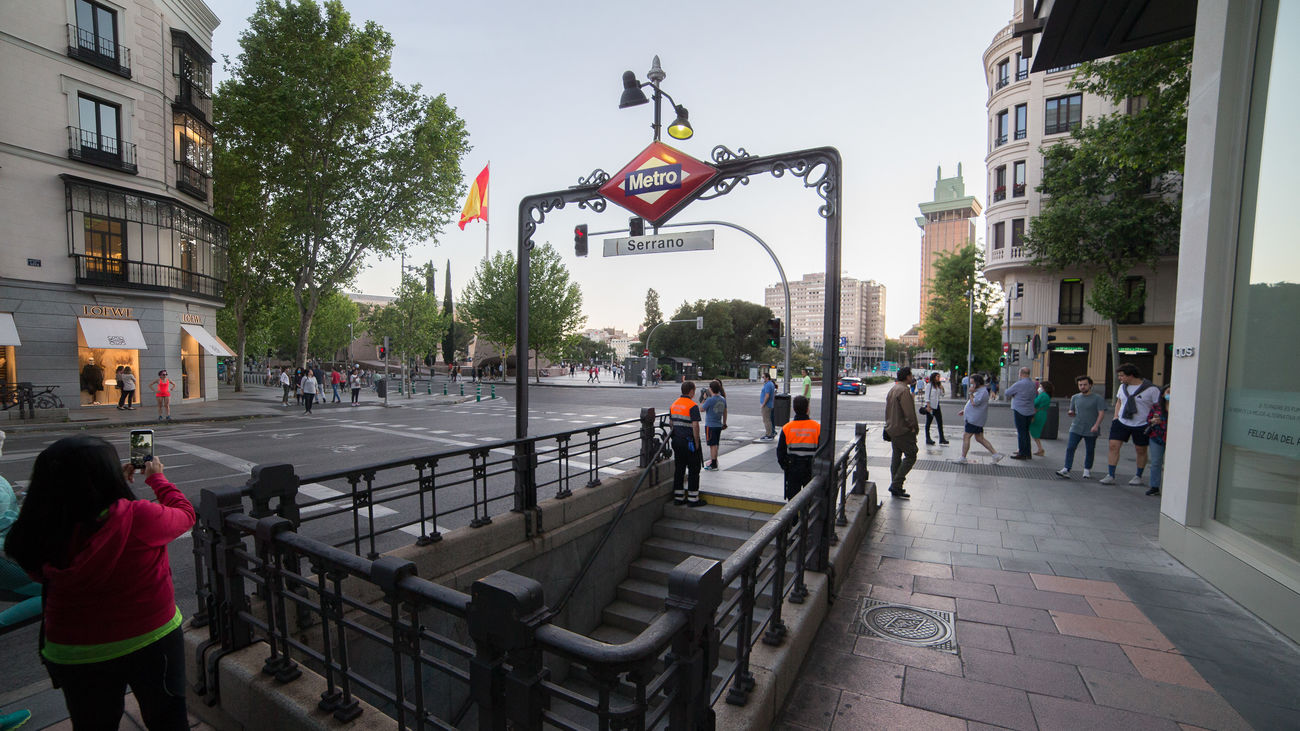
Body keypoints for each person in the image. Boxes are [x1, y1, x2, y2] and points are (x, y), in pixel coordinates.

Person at [4, 436, 195, 730]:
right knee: (168, 719)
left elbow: (38, 570)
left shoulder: (39, 529)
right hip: (151, 638)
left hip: (74, 650)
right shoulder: (136, 517)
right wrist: (158, 479)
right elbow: (184, 514)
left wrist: (99, 482)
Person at [1100, 363, 1161, 486]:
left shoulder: (1151, 389)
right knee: (1113, 446)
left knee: (1140, 449)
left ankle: (1138, 475)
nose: (1120, 378)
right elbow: (1119, 401)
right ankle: (1110, 474)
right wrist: (1116, 417)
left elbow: (1157, 406)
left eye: (1122, 376)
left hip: (1142, 423)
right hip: (1122, 421)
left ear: (1131, 375)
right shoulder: (1122, 387)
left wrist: (1155, 419)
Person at [1056, 376, 1107, 479]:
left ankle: (1087, 470)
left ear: (1090, 385)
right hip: (1076, 426)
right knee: (1070, 447)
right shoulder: (1075, 397)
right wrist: (1071, 412)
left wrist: (1096, 425)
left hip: (1091, 428)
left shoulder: (1098, 398)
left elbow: (1101, 413)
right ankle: (1066, 468)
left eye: (1085, 385)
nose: (1082, 387)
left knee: (1090, 449)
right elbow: (1072, 410)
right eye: (1080, 385)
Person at [883, 367, 920, 499]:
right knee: (911, 454)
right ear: (907, 376)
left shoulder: (893, 389)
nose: (912, 377)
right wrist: (914, 427)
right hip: (902, 429)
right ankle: (896, 483)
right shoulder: (904, 391)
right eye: (911, 375)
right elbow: (909, 413)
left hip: (892, 428)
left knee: (896, 456)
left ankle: (895, 485)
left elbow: (887, 410)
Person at [668, 382, 705, 507]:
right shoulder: (692, 406)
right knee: (694, 469)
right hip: (689, 441)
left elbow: (671, 423)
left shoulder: (674, 404)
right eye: (694, 390)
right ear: (691, 391)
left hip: (677, 441)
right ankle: (693, 498)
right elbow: (695, 425)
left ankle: (678, 497)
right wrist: (696, 442)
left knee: (679, 468)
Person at [777, 395, 820, 499]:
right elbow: (822, 450)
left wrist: (786, 466)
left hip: (793, 468)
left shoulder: (787, 428)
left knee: (793, 500)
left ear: (793, 409)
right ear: (807, 409)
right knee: (811, 499)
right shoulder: (817, 427)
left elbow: (780, 452)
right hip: (811, 468)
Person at [956, 374, 1005, 464]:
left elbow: (975, 403)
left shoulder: (982, 392)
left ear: (977, 383)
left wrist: (970, 393)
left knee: (966, 436)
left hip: (974, 419)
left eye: (972, 383)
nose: (971, 386)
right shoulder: (980, 391)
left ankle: (963, 457)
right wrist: (965, 410)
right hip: (975, 418)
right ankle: (995, 454)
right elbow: (973, 404)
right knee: (979, 438)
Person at [1004, 367, 1037, 459]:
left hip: (1019, 410)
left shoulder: (1019, 384)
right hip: (1029, 410)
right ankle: (1028, 452)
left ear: (1021, 373)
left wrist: (1015, 395)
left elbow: (1007, 392)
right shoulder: (1033, 384)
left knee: (1021, 432)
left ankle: (1022, 453)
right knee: (1026, 432)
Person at [1144, 385, 1171, 496]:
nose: (1170, 395)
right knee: (1156, 462)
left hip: (1173, 438)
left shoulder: (1179, 407)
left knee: (1171, 464)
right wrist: (1153, 420)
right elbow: (1148, 420)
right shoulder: (1157, 406)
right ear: (1163, 394)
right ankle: (1154, 486)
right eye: (1168, 392)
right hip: (1157, 437)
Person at [699, 380, 727, 470]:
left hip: (710, 425)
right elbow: (725, 412)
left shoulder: (710, 400)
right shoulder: (722, 399)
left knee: (712, 445)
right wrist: (724, 422)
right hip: (718, 424)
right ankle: (714, 461)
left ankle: (713, 463)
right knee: (715, 444)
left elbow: (701, 409)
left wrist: (704, 399)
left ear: (711, 389)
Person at [921, 372, 949, 446]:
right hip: (930, 406)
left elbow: (942, 395)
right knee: (928, 423)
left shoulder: (938, 386)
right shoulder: (929, 386)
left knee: (940, 422)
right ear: (933, 377)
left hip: (936, 406)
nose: (938, 378)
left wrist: (942, 389)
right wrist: (928, 406)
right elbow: (927, 397)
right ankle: (928, 438)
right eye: (937, 376)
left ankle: (942, 438)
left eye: (939, 377)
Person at [1029, 381, 1055, 455]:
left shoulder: (1042, 395)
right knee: (1035, 433)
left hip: (1037, 414)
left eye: (1040, 386)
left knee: (1032, 431)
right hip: (1042, 414)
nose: (1039, 388)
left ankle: (1039, 449)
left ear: (1044, 388)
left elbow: (1034, 403)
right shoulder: (1047, 395)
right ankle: (1040, 449)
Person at [758, 372, 777, 441]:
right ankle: (771, 433)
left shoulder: (768, 385)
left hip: (767, 405)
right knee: (768, 419)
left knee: (766, 420)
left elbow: (767, 395)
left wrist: (763, 404)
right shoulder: (770, 384)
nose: (762, 379)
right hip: (769, 404)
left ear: (767, 377)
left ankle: (768, 434)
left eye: (763, 377)